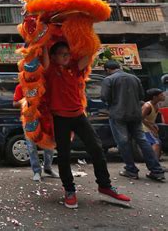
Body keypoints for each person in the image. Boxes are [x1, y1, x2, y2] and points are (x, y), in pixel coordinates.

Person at [43, 42, 131, 209]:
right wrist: (43, 33)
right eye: (62, 53)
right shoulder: (50, 70)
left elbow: (90, 50)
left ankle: (104, 185)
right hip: (60, 118)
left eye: (67, 53)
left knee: (97, 148)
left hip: (78, 115)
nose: (66, 56)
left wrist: (84, 25)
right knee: (63, 155)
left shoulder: (75, 68)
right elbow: (45, 53)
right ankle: (69, 190)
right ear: (54, 56)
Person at [101, 60, 165, 181]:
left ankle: (131, 170)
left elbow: (104, 97)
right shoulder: (134, 78)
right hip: (135, 114)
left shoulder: (108, 79)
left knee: (123, 142)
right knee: (142, 140)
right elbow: (141, 96)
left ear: (107, 70)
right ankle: (156, 171)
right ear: (118, 67)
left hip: (118, 115)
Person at [13, 83, 58, 182]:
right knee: (31, 147)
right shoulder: (20, 87)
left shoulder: (44, 85)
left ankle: (48, 168)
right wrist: (26, 100)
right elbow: (15, 103)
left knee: (49, 145)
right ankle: (37, 171)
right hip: (29, 120)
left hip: (45, 119)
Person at [142, 88, 165, 160]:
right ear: (155, 97)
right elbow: (141, 118)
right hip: (144, 128)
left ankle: (155, 164)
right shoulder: (147, 106)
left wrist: (153, 124)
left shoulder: (156, 105)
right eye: (161, 95)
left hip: (149, 127)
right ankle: (155, 165)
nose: (164, 96)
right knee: (156, 143)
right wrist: (152, 128)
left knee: (157, 143)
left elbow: (149, 118)